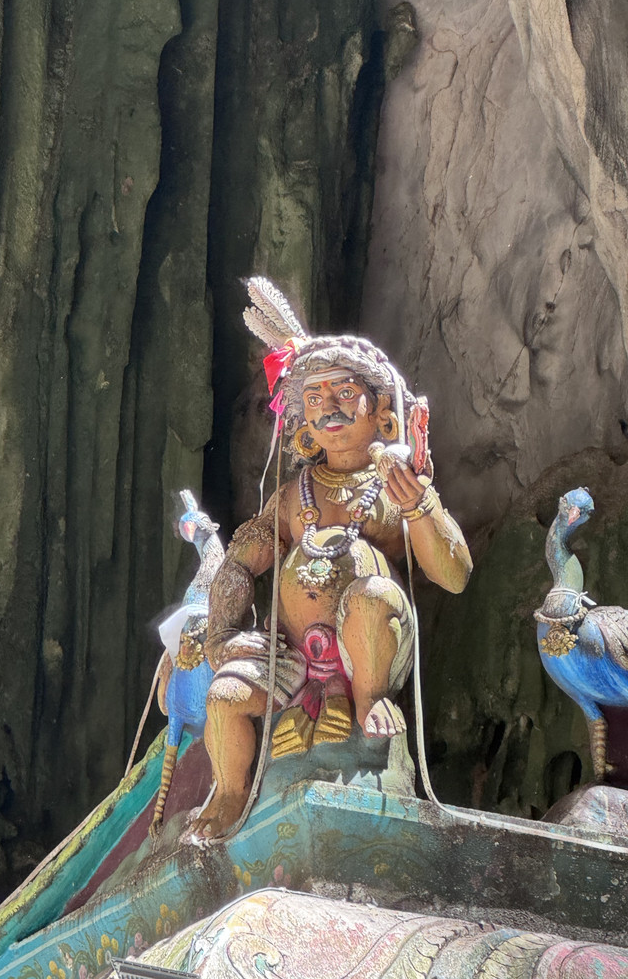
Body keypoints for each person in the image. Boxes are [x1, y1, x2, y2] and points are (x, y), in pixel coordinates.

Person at [192, 280, 472, 840]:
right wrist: (222, 635)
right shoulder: (293, 496)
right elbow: (241, 563)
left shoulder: (394, 483)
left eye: (345, 392)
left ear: (381, 409)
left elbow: (454, 575)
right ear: (302, 422)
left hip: (367, 649)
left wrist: (419, 506)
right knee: (224, 697)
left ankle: (369, 703)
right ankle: (228, 793)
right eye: (315, 399)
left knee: (372, 595)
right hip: (294, 656)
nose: (329, 408)